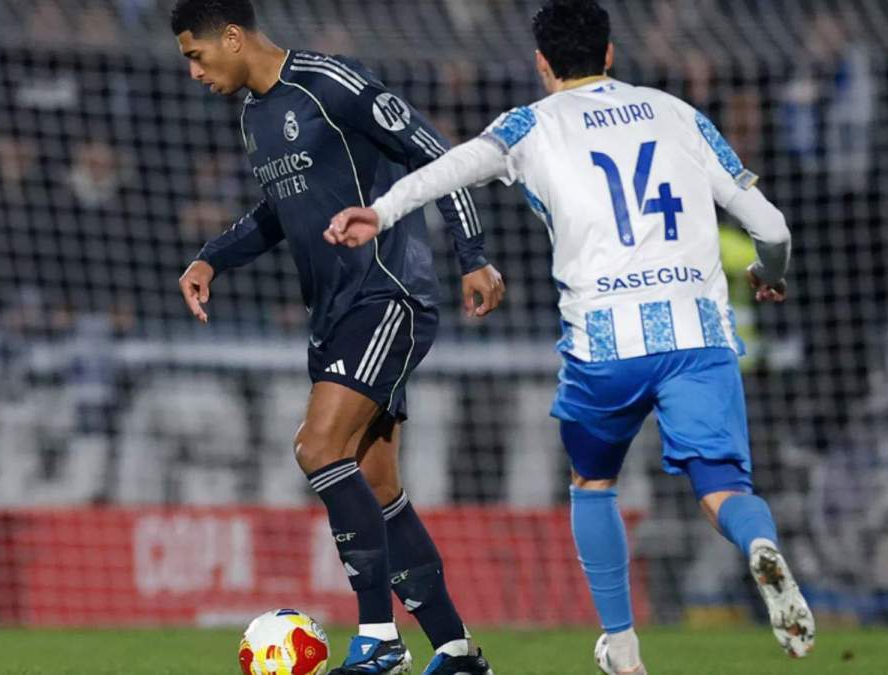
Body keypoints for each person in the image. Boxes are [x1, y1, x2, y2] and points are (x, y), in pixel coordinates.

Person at [324, 1, 815, 673]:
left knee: (593, 481)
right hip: (696, 334)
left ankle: (622, 647)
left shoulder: (532, 123)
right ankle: (760, 544)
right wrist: (766, 271)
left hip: (604, 345)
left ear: (542, 63)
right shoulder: (677, 113)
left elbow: (448, 168)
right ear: (611, 53)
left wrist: (379, 212)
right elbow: (775, 228)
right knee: (721, 483)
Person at [170, 1, 505, 673]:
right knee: (377, 484)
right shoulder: (254, 117)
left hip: (387, 293)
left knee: (317, 445)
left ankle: (379, 638)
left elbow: (439, 154)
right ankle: (456, 649)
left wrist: (474, 254)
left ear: (232, 37)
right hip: (333, 313)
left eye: (197, 56)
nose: (194, 72)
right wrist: (213, 257)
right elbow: (279, 210)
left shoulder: (331, 83)